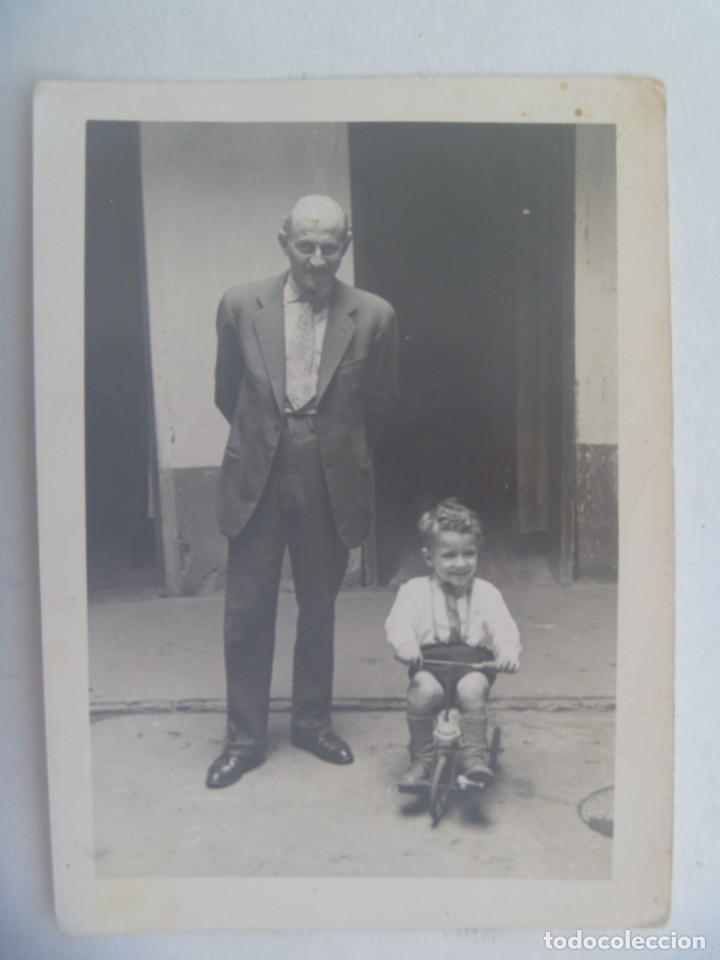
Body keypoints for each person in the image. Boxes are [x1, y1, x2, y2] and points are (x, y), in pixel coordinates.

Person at [206, 195, 399, 788]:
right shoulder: (241, 305)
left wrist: (328, 443)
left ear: (346, 244)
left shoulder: (373, 315)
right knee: (247, 609)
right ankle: (245, 738)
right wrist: (272, 435)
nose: (317, 259)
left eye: (330, 245)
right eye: (305, 245)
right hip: (259, 468)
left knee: (318, 605)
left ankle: (313, 723)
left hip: (329, 472)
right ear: (284, 240)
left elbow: (381, 408)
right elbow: (226, 391)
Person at [385, 498, 521, 789]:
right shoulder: (413, 592)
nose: (460, 564)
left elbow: (503, 625)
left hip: (474, 663)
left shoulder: (487, 593)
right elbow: (399, 623)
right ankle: (423, 760)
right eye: (448, 555)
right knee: (421, 692)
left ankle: (474, 758)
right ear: (428, 558)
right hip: (430, 663)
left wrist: (508, 650)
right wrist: (406, 644)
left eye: (468, 554)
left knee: (471, 689)